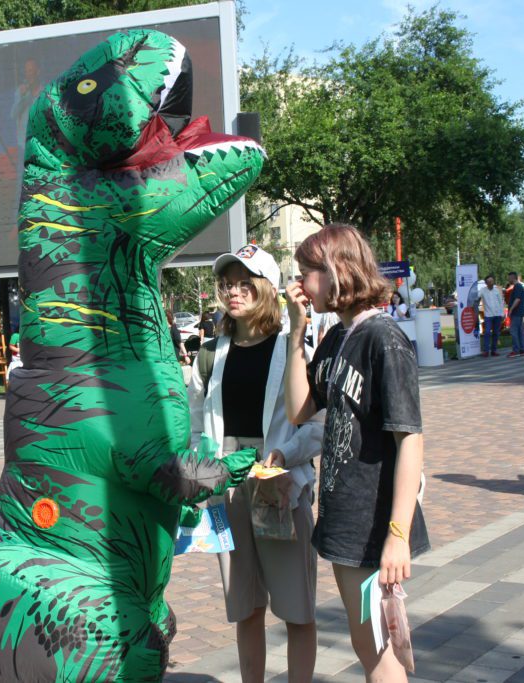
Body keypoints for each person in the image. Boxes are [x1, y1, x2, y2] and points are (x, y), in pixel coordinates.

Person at [283, 225, 429, 681]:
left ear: (337, 271)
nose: (301, 284)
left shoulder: (384, 338)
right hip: (346, 518)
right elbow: (299, 409)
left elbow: (411, 439)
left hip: (373, 523)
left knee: (378, 649)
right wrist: (296, 333)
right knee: (369, 642)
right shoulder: (338, 337)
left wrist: (397, 534)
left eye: (308, 272)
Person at [188, 245, 321, 683]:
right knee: (244, 605)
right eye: (227, 284)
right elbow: (194, 424)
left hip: (279, 485)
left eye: (245, 283)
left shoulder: (293, 348)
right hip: (228, 488)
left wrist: (286, 456)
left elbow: (319, 426)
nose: (234, 292)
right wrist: (200, 468)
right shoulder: (210, 354)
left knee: (296, 606)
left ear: (265, 289)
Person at [479, 276, 505, 357]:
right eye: (489, 281)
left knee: (496, 333)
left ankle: (494, 350)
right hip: (488, 315)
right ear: (486, 283)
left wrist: (502, 313)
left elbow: (501, 302)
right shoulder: (483, 290)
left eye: (492, 281)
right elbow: (477, 297)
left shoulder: (496, 290)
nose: (491, 283)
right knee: (487, 332)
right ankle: (486, 351)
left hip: (497, 314)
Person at [506, 272, 524, 357]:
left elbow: (517, 299)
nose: (508, 280)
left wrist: (511, 310)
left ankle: (516, 350)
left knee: (514, 331)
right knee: (519, 331)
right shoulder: (518, 287)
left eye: (509, 278)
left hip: (516, 313)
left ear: (513, 278)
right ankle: (521, 349)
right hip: (519, 313)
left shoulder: (517, 287)